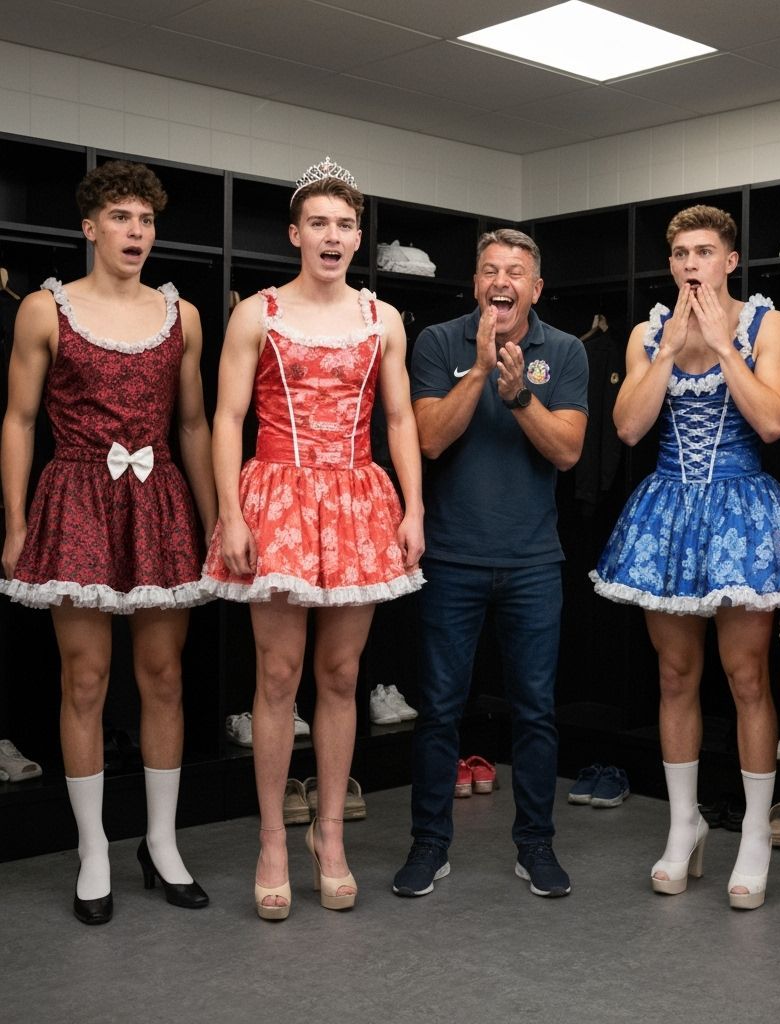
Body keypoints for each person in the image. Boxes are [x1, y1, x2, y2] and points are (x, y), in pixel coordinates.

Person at [200, 159, 424, 920]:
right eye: (319, 223)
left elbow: (399, 420)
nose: (333, 236)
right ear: (296, 234)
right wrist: (230, 513)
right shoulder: (256, 314)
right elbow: (227, 419)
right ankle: (271, 837)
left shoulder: (381, 317)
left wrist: (414, 509)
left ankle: (329, 836)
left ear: (359, 238)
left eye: (346, 225)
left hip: (358, 494)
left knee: (339, 673)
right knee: (277, 674)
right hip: (279, 495)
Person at [0, 160, 216, 924]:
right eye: (122, 217)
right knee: (84, 680)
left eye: (147, 220)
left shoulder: (181, 314)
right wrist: (17, 523)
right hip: (79, 495)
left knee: (162, 679)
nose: (137, 232)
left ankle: (161, 843)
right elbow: (20, 420)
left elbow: (192, 424)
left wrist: (216, 519)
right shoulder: (42, 309)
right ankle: (92, 848)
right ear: (89, 228)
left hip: (159, 501)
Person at [592, 205, 780, 909]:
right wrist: (665, 352)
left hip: (742, 508)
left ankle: (752, 832)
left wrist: (721, 346)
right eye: (682, 252)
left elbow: (775, 421)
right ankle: (684, 824)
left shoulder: (767, 324)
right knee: (675, 674)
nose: (692, 263)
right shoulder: (645, 331)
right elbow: (627, 427)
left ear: (730, 260)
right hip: (670, 510)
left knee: (747, 677)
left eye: (705, 251)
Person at [393, 228, 587, 899]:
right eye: (488, 270)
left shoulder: (563, 351)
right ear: (474, 284)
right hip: (451, 559)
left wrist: (520, 397)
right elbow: (428, 441)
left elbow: (567, 452)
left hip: (533, 562)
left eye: (515, 271)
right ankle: (430, 844)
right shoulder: (438, 343)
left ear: (536, 287)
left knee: (535, 712)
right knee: (439, 710)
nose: (500, 281)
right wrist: (479, 372)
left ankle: (535, 844)